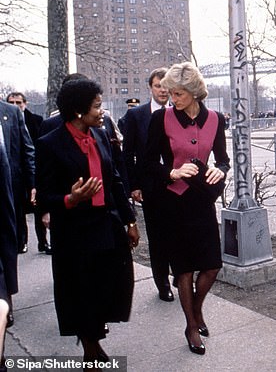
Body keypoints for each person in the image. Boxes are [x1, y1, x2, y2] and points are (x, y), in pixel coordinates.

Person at [35, 78, 139, 363]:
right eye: (97, 106)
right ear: (79, 111)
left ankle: (94, 338)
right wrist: (72, 198)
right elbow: (43, 197)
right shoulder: (50, 144)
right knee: (83, 293)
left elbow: (115, 180)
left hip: (107, 226)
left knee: (109, 288)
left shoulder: (101, 135)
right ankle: (90, 351)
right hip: (75, 234)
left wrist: (130, 221)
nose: (102, 111)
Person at [145, 62, 230, 356]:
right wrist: (171, 172)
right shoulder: (162, 119)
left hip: (203, 201)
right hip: (174, 202)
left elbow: (223, 159)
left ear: (194, 93)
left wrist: (221, 170)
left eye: (178, 94)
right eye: (170, 93)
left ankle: (195, 308)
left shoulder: (216, 119)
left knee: (212, 265)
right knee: (184, 268)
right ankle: (191, 325)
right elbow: (146, 163)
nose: (172, 99)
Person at [121, 68, 174, 302]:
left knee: (178, 234)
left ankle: (180, 277)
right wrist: (134, 185)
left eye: (166, 85)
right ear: (150, 88)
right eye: (157, 86)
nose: (163, 90)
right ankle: (162, 282)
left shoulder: (179, 112)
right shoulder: (137, 116)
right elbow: (128, 154)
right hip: (150, 186)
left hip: (176, 184)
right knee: (158, 236)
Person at [0, 99, 34, 331]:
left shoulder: (10, 112)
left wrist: (33, 184)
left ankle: (5, 299)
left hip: (6, 191)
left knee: (5, 247)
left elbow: (26, 150)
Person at [6, 93, 50, 254]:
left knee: (34, 206)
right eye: (12, 102)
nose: (16, 105)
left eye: (19, 102)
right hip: (14, 171)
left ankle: (40, 241)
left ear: (25, 103)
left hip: (31, 169)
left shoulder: (36, 120)